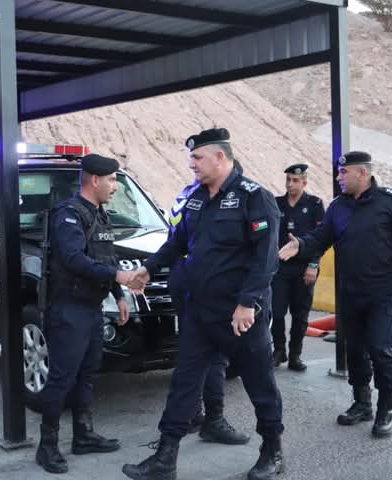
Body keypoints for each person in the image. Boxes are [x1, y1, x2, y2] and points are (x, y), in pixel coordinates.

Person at [122, 128, 285, 480]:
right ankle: (165, 458)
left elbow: (266, 259)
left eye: (197, 158)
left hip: (240, 315)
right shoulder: (196, 197)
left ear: (220, 157)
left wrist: (247, 303)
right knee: (184, 382)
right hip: (199, 312)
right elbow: (176, 243)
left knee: (259, 383)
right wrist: (148, 269)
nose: (191, 164)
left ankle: (273, 450)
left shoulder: (254, 198)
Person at [279, 151, 392, 438]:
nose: (339, 177)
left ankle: (386, 408)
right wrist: (301, 246)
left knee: (380, 349)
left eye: (344, 173)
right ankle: (362, 403)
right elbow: (321, 239)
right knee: (354, 349)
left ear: (363, 173)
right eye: (339, 172)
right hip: (349, 291)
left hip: (383, 291)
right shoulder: (338, 206)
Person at [36, 153, 141, 474]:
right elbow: (73, 259)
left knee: (87, 373)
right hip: (68, 310)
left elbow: (106, 257)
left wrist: (118, 296)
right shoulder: (68, 215)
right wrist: (118, 276)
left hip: (91, 308)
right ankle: (47, 446)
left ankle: (83, 435)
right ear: (94, 180)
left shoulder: (99, 214)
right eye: (111, 180)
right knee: (61, 378)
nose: (115, 186)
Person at [167, 159, 250, 445]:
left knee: (192, 350)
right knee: (213, 353)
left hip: (182, 275)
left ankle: (192, 413)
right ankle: (212, 419)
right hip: (198, 280)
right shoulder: (206, 199)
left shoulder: (188, 193)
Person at [271, 163, 325, 371]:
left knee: (300, 314)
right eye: (288, 180)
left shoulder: (314, 204)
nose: (290, 184)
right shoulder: (277, 203)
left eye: (295, 180)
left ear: (304, 183)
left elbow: (321, 238)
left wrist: (314, 264)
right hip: (280, 267)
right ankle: (279, 350)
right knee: (277, 312)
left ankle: (295, 355)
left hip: (304, 267)